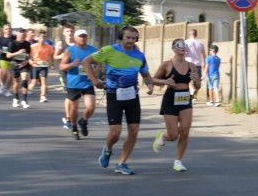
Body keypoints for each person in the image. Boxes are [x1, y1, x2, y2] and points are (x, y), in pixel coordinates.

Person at [85, 26, 156, 175]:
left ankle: (122, 162)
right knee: (116, 132)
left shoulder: (139, 55)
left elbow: (145, 75)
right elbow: (87, 62)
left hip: (132, 97)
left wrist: (150, 85)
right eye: (128, 38)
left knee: (134, 130)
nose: (130, 41)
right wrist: (95, 82)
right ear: (121, 37)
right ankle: (108, 148)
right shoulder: (109, 50)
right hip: (113, 95)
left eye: (133, 38)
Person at [151, 38, 201, 172]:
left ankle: (178, 161)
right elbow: (153, 79)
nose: (182, 47)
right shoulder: (166, 65)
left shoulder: (191, 66)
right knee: (173, 135)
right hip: (170, 99)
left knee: (185, 131)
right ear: (173, 48)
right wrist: (164, 81)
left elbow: (198, 86)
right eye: (179, 45)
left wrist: (196, 81)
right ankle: (163, 136)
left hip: (185, 98)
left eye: (184, 45)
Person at [58, 29, 98, 140]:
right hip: (74, 83)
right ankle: (74, 127)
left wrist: (95, 70)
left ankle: (83, 121)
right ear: (75, 38)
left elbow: (97, 64)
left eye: (85, 36)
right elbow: (61, 66)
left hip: (87, 82)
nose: (83, 38)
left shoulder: (93, 50)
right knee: (74, 109)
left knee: (91, 107)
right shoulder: (70, 50)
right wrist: (72, 64)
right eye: (80, 36)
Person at [6, 27, 32, 108]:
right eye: (20, 32)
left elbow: (29, 55)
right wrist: (18, 52)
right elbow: (8, 55)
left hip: (24, 64)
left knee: (24, 80)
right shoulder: (12, 43)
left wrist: (26, 61)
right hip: (15, 64)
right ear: (17, 34)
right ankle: (16, 98)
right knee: (16, 82)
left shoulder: (27, 44)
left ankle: (24, 100)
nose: (22, 34)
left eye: (23, 32)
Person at [30, 31, 54, 102]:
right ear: (38, 38)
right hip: (35, 65)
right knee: (34, 81)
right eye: (41, 37)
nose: (42, 39)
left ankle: (42, 96)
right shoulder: (33, 46)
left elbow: (52, 55)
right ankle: (28, 89)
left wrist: (52, 64)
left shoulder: (48, 46)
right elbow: (28, 55)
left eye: (44, 37)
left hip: (44, 65)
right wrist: (30, 61)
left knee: (43, 81)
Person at [184, 29, 206, 98]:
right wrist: (205, 65)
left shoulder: (186, 42)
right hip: (198, 64)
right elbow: (204, 55)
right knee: (197, 81)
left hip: (188, 63)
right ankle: (195, 95)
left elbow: (184, 53)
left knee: (188, 79)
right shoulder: (201, 43)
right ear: (196, 35)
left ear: (189, 34)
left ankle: (192, 89)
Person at [0, 23, 15, 97]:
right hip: (3, 58)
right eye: (6, 29)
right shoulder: (1, 38)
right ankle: (2, 85)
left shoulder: (14, 38)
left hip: (12, 58)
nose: (8, 30)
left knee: (10, 76)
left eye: (9, 28)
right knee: (5, 72)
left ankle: (7, 89)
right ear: (3, 30)